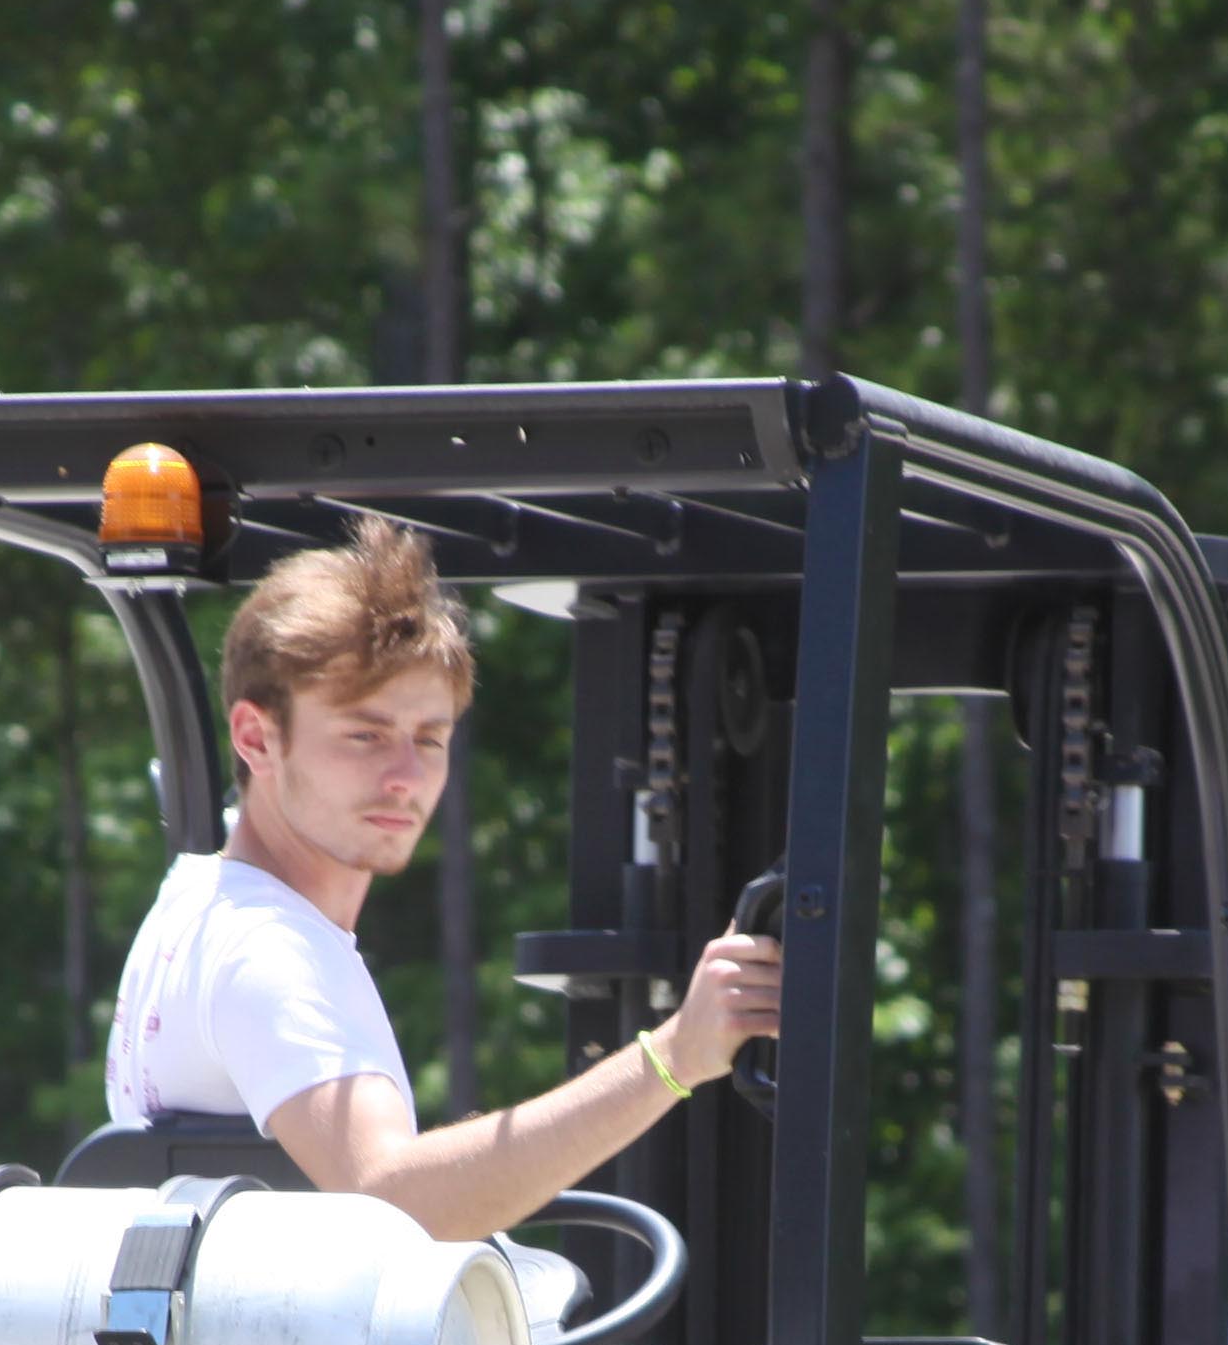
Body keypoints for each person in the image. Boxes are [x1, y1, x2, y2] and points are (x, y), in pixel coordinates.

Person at [101, 513, 776, 1241]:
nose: (405, 778)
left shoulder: (197, 902)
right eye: (365, 734)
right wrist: (674, 1057)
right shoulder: (270, 952)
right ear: (257, 738)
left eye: (430, 739)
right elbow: (393, 1202)